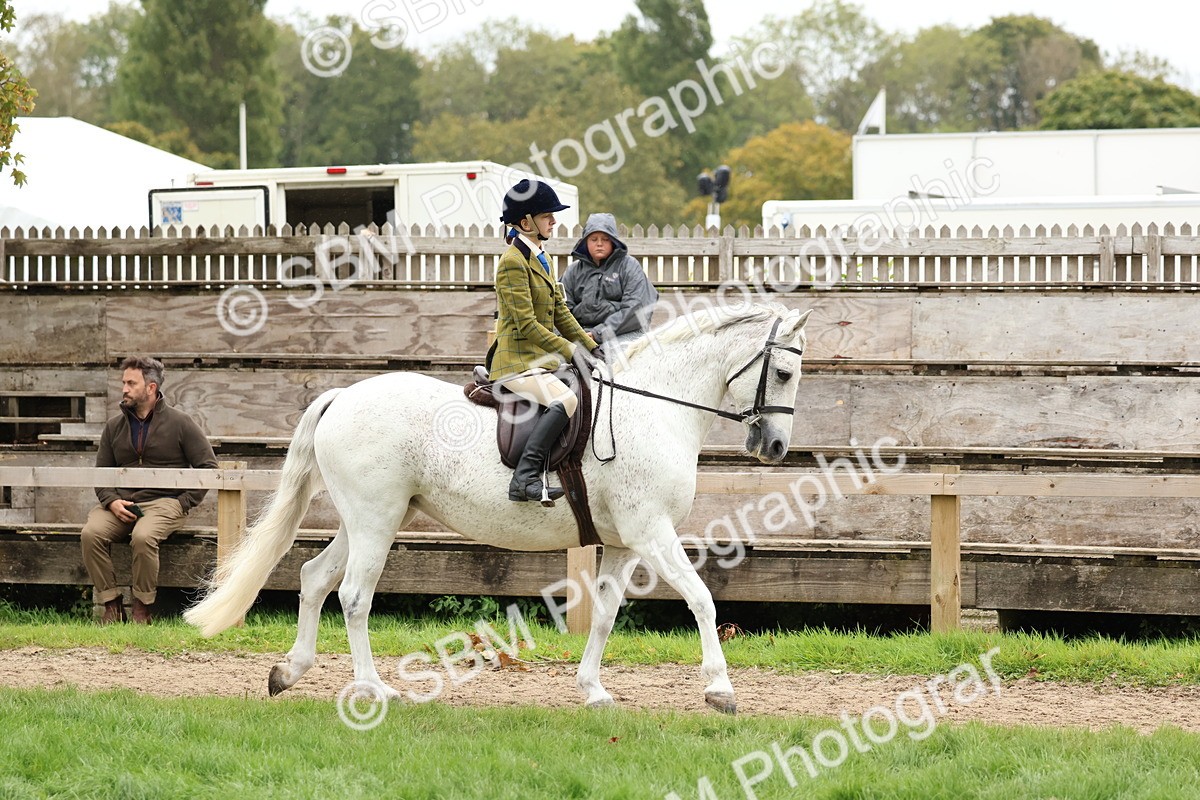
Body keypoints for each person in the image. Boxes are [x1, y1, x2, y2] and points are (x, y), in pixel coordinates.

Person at [81, 356, 217, 624]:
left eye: (131, 383)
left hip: (164, 502)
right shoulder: (113, 427)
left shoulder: (181, 422)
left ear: (151, 387)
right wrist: (111, 502)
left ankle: (142, 607)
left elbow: (208, 467)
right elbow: (101, 473)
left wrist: (183, 503)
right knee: (90, 534)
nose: (124, 389)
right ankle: (111, 603)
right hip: (121, 503)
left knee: (143, 537)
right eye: (124, 382)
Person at [491, 179, 599, 504]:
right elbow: (526, 324)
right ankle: (524, 479)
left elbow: (560, 312)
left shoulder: (543, 259)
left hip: (541, 360)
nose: (554, 220)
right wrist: (569, 349)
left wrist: (591, 347)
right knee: (565, 401)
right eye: (547, 215)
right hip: (517, 363)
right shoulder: (512, 262)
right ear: (526, 222)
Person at [560, 212, 658, 347]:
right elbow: (561, 308)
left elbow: (635, 310)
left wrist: (597, 334)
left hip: (623, 334)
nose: (599, 243)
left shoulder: (629, 266)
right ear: (585, 243)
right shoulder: (573, 271)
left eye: (605, 239)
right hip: (581, 334)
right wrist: (575, 335)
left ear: (613, 241)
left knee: (616, 361)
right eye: (593, 239)